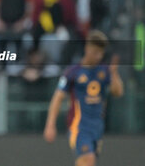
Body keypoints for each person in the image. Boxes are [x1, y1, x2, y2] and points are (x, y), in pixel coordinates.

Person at [43, 30, 124, 166]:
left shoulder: (104, 71)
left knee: (86, 161)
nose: (98, 56)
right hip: (79, 126)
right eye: (95, 52)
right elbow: (57, 98)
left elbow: (118, 92)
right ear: (87, 49)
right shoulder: (73, 72)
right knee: (88, 159)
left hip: (97, 127)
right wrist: (50, 124)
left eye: (101, 53)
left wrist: (114, 74)